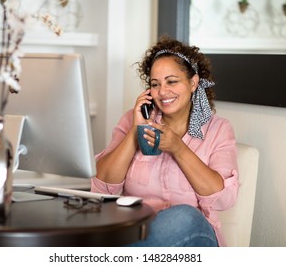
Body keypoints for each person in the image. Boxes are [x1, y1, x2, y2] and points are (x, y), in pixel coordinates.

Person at [91, 36, 239, 247]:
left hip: (195, 239)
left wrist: (178, 148)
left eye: (172, 81)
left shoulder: (219, 130)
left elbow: (224, 200)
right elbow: (101, 187)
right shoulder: (133, 120)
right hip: (137, 231)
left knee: (184, 216)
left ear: (193, 82)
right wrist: (136, 131)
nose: (162, 92)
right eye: (155, 84)